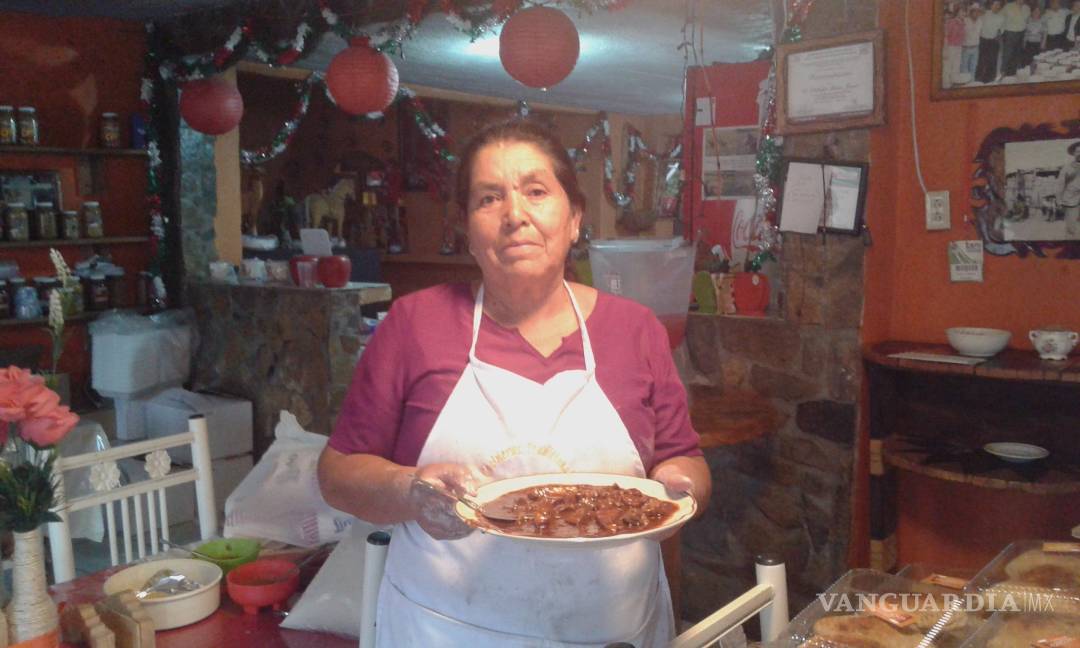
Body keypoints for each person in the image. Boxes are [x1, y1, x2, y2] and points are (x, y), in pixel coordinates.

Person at [318, 119, 711, 647]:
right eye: (489, 198)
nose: (515, 215)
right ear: (466, 229)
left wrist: (683, 489)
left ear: (574, 219)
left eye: (536, 192)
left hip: (612, 633)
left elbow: (685, 461)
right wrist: (409, 491)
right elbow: (338, 474)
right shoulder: (415, 325)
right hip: (446, 632)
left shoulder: (635, 330)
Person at [976, 1, 1006, 82]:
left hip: (993, 41)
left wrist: (998, 35)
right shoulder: (984, 13)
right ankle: (978, 79)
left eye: (998, 5)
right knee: (981, 61)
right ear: (991, 5)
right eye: (995, 4)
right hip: (983, 40)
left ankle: (990, 80)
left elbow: (1001, 30)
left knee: (992, 61)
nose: (996, 6)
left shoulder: (1002, 17)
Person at [1000, 0, 1031, 77]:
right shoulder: (1008, 6)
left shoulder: (1027, 8)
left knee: (1018, 55)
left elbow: (1027, 21)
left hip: (1021, 33)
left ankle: (1013, 76)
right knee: (1007, 55)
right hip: (1010, 33)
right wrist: (1002, 32)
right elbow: (1000, 18)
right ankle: (1002, 75)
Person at [1058, 141, 1080, 237]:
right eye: (1078, 151)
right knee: (1071, 229)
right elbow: (1060, 185)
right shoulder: (1067, 168)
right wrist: (1059, 200)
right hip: (1071, 200)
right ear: (1073, 153)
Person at [962, 3, 985, 76]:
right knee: (964, 68)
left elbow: (981, 33)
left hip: (976, 48)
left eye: (978, 11)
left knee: (973, 68)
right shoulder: (965, 20)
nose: (976, 13)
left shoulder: (980, 21)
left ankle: (971, 82)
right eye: (974, 11)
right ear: (971, 12)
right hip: (965, 48)